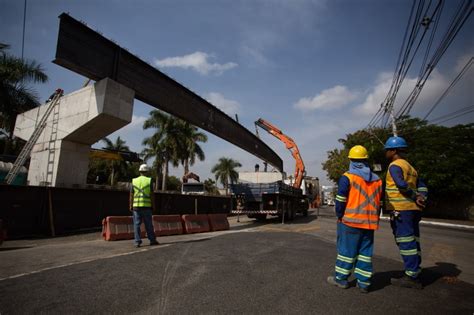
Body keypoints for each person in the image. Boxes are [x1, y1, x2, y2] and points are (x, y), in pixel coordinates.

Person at [327, 145, 383, 293]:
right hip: (370, 223)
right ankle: (364, 283)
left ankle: (341, 279)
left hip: (350, 222)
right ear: (366, 160)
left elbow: (340, 201)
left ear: (351, 160)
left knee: (346, 251)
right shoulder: (378, 180)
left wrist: (339, 215)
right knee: (365, 253)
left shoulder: (348, 177)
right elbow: (379, 202)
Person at [384, 136, 428, 289]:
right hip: (413, 210)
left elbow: (401, 185)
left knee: (405, 241)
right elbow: (422, 186)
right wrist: (422, 198)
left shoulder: (395, 166)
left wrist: (415, 196)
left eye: (387, 150)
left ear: (394, 151)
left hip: (401, 210)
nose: (386, 153)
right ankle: (416, 269)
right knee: (414, 240)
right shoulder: (412, 168)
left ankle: (411, 276)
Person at [130, 164, 159, 248]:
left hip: (136, 206)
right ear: (147, 171)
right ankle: (152, 240)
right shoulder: (149, 180)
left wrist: (130, 205)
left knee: (136, 225)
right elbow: (152, 195)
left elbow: (131, 194)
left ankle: (137, 242)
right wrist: (153, 205)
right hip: (147, 206)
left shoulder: (134, 180)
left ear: (140, 171)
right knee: (149, 224)